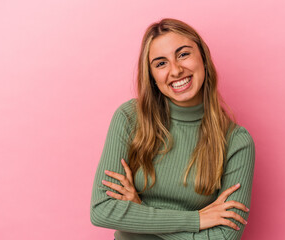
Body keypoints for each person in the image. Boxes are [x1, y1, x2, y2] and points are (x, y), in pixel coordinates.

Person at [90, 18, 255, 240]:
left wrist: (139, 209)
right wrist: (196, 219)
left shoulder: (237, 141)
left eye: (183, 54)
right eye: (161, 63)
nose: (176, 70)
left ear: (203, 59)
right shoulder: (130, 118)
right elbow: (101, 210)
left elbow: (224, 236)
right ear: (152, 77)